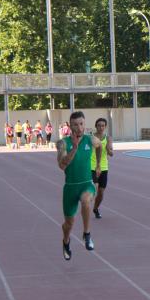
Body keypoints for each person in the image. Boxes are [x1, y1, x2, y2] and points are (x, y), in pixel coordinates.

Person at [57, 111, 102, 260]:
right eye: (75, 125)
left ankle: (87, 234)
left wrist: (98, 164)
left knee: (86, 200)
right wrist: (74, 148)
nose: (79, 127)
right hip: (70, 187)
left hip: (86, 184)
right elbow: (62, 165)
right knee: (68, 224)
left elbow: (99, 146)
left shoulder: (91, 139)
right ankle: (66, 241)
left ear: (84, 124)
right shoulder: (63, 143)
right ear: (70, 126)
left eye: (81, 124)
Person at [91, 118, 113, 219]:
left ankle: (95, 208)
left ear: (105, 127)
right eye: (99, 125)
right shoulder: (91, 137)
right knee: (94, 187)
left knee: (101, 192)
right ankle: (86, 201)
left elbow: (111, 153)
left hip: (103, 167)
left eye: (103, 126)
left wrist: (109, 150)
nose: (101, 127)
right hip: (92, 166)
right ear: (96, 126)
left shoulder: (108, 138)